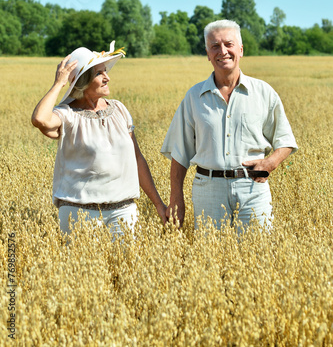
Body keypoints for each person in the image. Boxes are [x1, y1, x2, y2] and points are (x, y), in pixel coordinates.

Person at [161, 20, 298, 231]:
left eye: (229, 44)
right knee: (210, 259)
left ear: (241, 50)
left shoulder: (263, 92)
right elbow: (180, 152)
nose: (222, 51)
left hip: (253, 189)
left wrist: (270, 163)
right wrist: (176, 196)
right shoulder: (194, 97)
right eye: (215, 46)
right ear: (208, 53)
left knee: (258, 256)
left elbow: (285, 140)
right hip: (207, 190)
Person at [32, 41, 167, 236]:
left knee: (126, 266)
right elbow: (39, 119)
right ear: (83, 81)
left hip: (123, 211)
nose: (107, 78)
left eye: (105, 71)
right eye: (99, 73)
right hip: (79, 214)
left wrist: (158, 204)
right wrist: (59, 83)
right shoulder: (68, 115)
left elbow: (137, 159)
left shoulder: (119, 109)